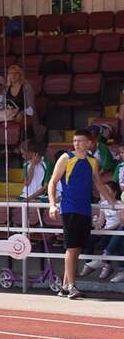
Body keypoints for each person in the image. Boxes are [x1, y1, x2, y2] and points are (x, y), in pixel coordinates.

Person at [47, 129, 117, 300]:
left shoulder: (92, 161)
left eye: (80, 140)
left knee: (77, 248)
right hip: (69, 208)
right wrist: (52, 205)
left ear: (89, 143)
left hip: (84, 209)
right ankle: (71, 286)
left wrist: (112, 202)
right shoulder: (66, 158)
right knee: (71, 248)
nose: (76, 143)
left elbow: (99, 184)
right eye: (74, 140)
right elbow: (53, 182)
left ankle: (64, 287)